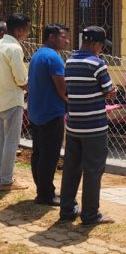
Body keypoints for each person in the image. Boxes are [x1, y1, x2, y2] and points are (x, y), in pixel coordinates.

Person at [59, 26, 116, 225]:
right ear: (96, 44)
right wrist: (112, 91)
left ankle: (66, 210)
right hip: (95, 127)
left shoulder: (69, 61)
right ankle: (90, 215)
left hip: (74, 125)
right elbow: (108, 90)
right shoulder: (98, 64)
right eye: (101, 46)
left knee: (71, 168)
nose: (101, 49)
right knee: (93, 170)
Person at [27, 23, 70, 205]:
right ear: (52, 37)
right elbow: (62, 89)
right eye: (63, 37)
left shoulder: (38, 54)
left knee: (39, 153)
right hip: (50, 113)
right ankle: (46, 195)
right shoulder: (53, 58)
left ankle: (42, 190)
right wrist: (73, 102)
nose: (67, 41)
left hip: (36, 112)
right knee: (49, 156)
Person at [0, 13, 31, 191]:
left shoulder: (1, 44)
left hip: (1, 98)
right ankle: (6, 180)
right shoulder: (15, 48)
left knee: (2, 141)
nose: (27, 34)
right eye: (27, 30)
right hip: (12, 100)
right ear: (19, 31)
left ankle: (3, 177)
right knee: (11, 142)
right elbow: (21, 79)